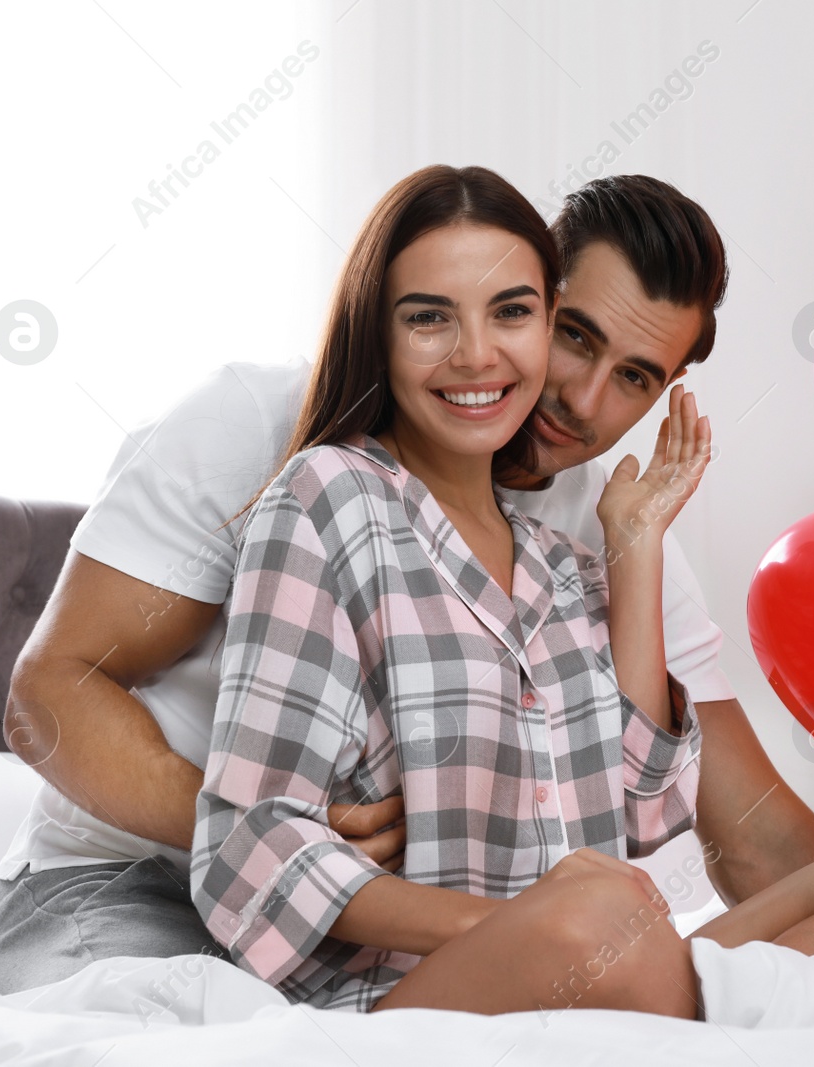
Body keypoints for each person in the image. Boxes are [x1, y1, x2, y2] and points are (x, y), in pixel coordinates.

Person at [0, 169, 814, 1063]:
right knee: (188, 1030)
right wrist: (307, 845)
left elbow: (703, 816)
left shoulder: (588, 531)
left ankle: (610, 989)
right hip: (138, 880)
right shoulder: (286, 449)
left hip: (486, 927)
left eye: (633, 378)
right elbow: (50, 699)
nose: (580, 403)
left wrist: (634, 560)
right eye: (574, 334)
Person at [193, 163, 714, 1012]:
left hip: (604, 966)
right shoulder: (331, 497)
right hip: (411, 1000)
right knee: (603, 918)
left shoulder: (567, 562)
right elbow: (248, 846)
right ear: (382, 333)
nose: (476, 354)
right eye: (430, 319)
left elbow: (648, 816)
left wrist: (637, 544)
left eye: (509, 313)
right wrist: (521, 929)